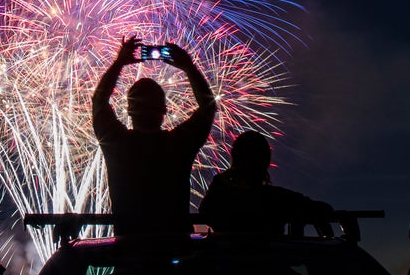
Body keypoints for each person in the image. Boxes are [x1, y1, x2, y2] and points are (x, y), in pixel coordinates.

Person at [91, 36, 216, 235]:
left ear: (129, 111)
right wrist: (188, 66)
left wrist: (119, 62)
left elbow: (98, 100)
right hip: (174, 249)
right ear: (164, 111)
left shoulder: (118, 145)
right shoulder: (178, 145)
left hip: (128, 250)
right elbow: (209, 106)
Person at [198, 130, 335, 235]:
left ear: (235, 159)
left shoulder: (219, 198)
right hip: (270, 267)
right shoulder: (278, 198)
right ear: (265, 162)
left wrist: (221, 182)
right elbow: (324, 209)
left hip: (226, 267)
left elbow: (204, 214)